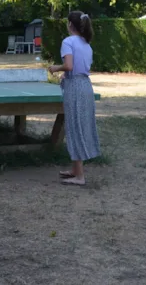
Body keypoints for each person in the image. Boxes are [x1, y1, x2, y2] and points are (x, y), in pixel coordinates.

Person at [47, 11, 101, 186]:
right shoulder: (87, 43)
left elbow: (69, 65)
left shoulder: (67, 42)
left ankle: (80, 177)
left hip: (75, 89)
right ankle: (75, 170)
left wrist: (56, 68)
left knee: (74, 127)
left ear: (70, 24)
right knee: (79, 125)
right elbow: (79, 68)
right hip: (85, 86)